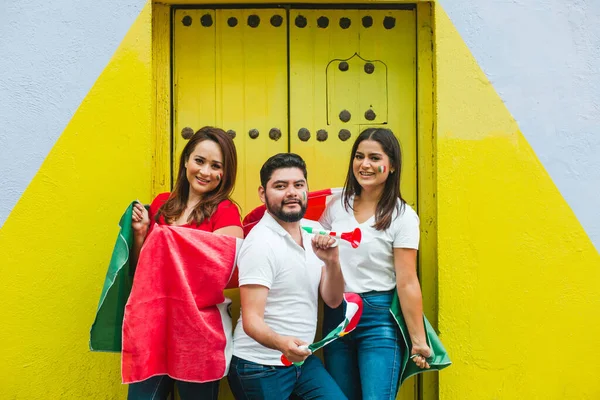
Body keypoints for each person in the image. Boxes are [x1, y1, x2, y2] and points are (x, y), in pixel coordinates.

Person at [128, 126, 243, 400]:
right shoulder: (161, 204)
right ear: (186, 160)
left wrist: (167, 238)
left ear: (225, 173)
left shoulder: (226, 212)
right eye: (199, 161)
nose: (205, 172)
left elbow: (224, 268)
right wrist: (142, 234)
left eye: (216, 166)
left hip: (198, 334)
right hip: (154, 329)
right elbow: (141, 271)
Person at [320, 128, 431, 400]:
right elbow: (315, 257)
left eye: (374, 157)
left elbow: (407, 281)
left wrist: (418, 340)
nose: (365, 165)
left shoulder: (402, 216)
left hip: (378, 320)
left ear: (391, 165)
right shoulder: (337, 206)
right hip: (337, 316)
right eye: (359, 157)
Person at [227, 153, 347, 400]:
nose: (291, 192)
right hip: (259, 366)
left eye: (298, 184)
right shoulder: (260, 244)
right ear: (263, 193)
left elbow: (333, 301)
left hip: (302, 361)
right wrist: (283, 345)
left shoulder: (316, 231)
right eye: (280, 186)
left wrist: (332, 261)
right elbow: (251, 320)